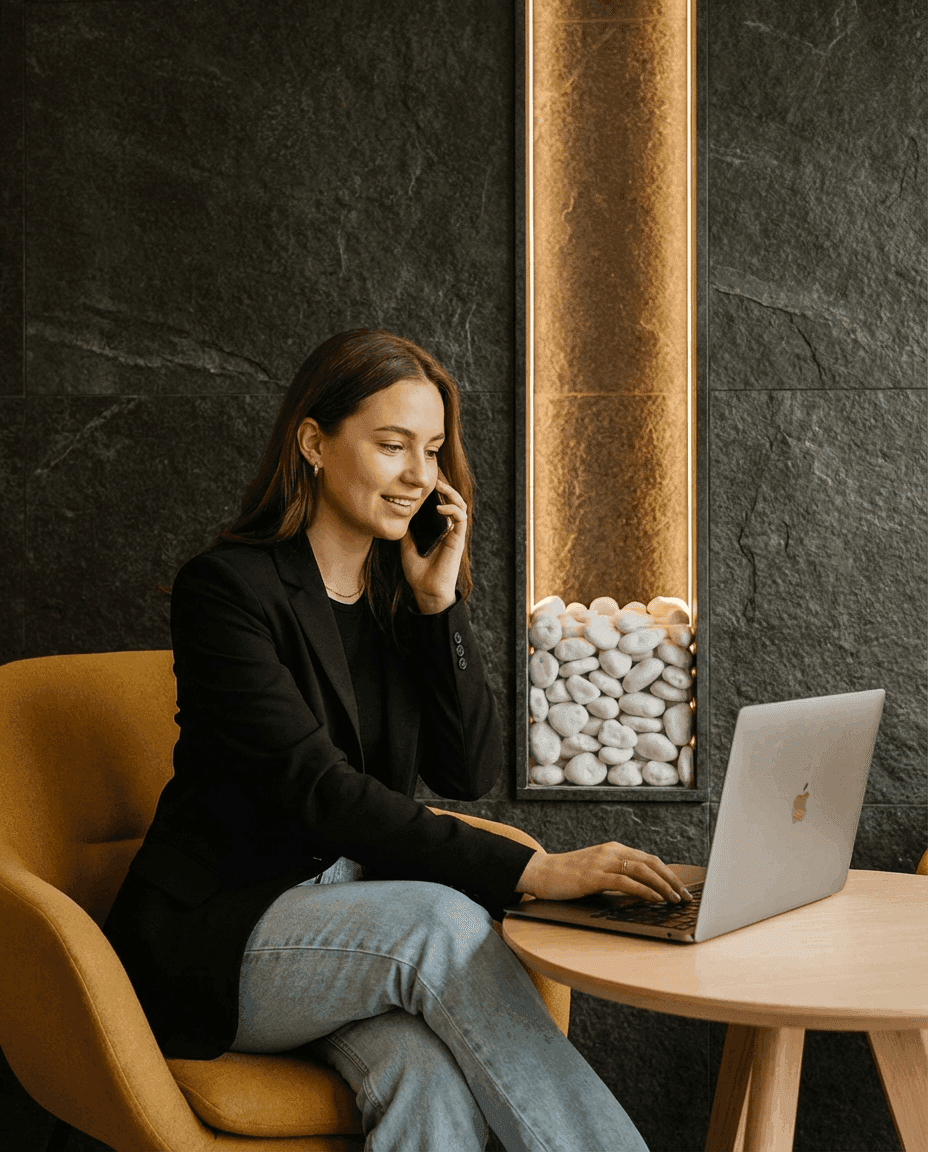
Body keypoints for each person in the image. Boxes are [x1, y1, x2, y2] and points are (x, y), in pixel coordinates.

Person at [103, 327, 692, 1152]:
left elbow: (468, 768)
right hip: (221, 934)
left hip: (350, 931)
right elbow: (319, 790)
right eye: (393, 446)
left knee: (426, 1079)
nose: (421, 475)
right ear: (314, 441)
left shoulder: (396, 593)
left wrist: (438, 606)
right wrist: (536, 870)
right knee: (440, 926)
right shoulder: (226, 591)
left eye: (435, 450)